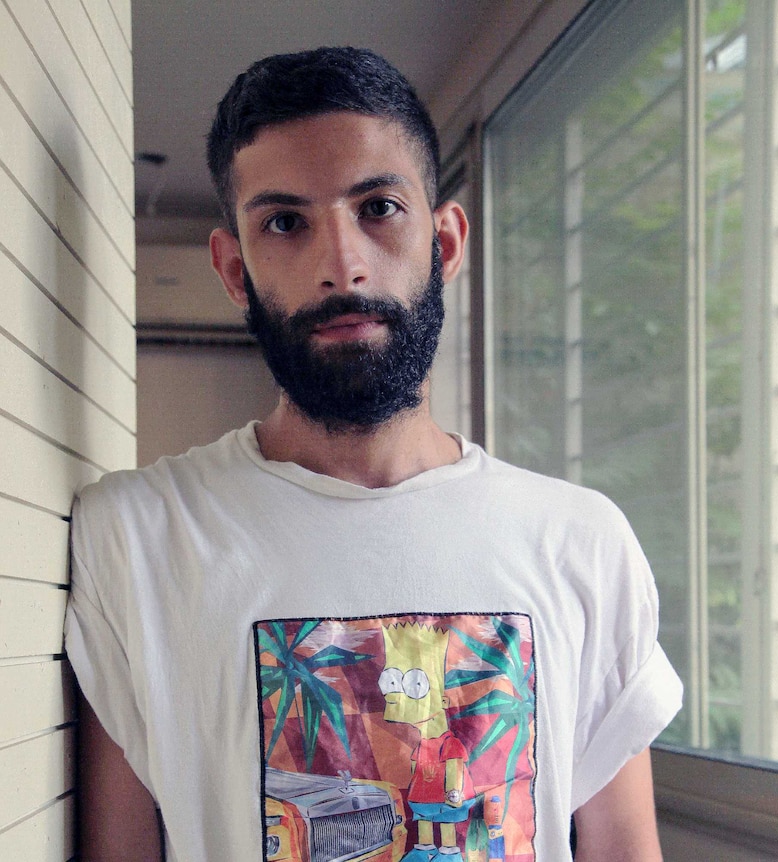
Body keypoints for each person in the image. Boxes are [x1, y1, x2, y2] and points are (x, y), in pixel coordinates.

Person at [65, 47, 682, 862]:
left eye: (379, 207)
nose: (341, 264)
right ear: (233, 270)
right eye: (284, 223)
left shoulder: (582, 541)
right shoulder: (136, 538)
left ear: (447, 240)